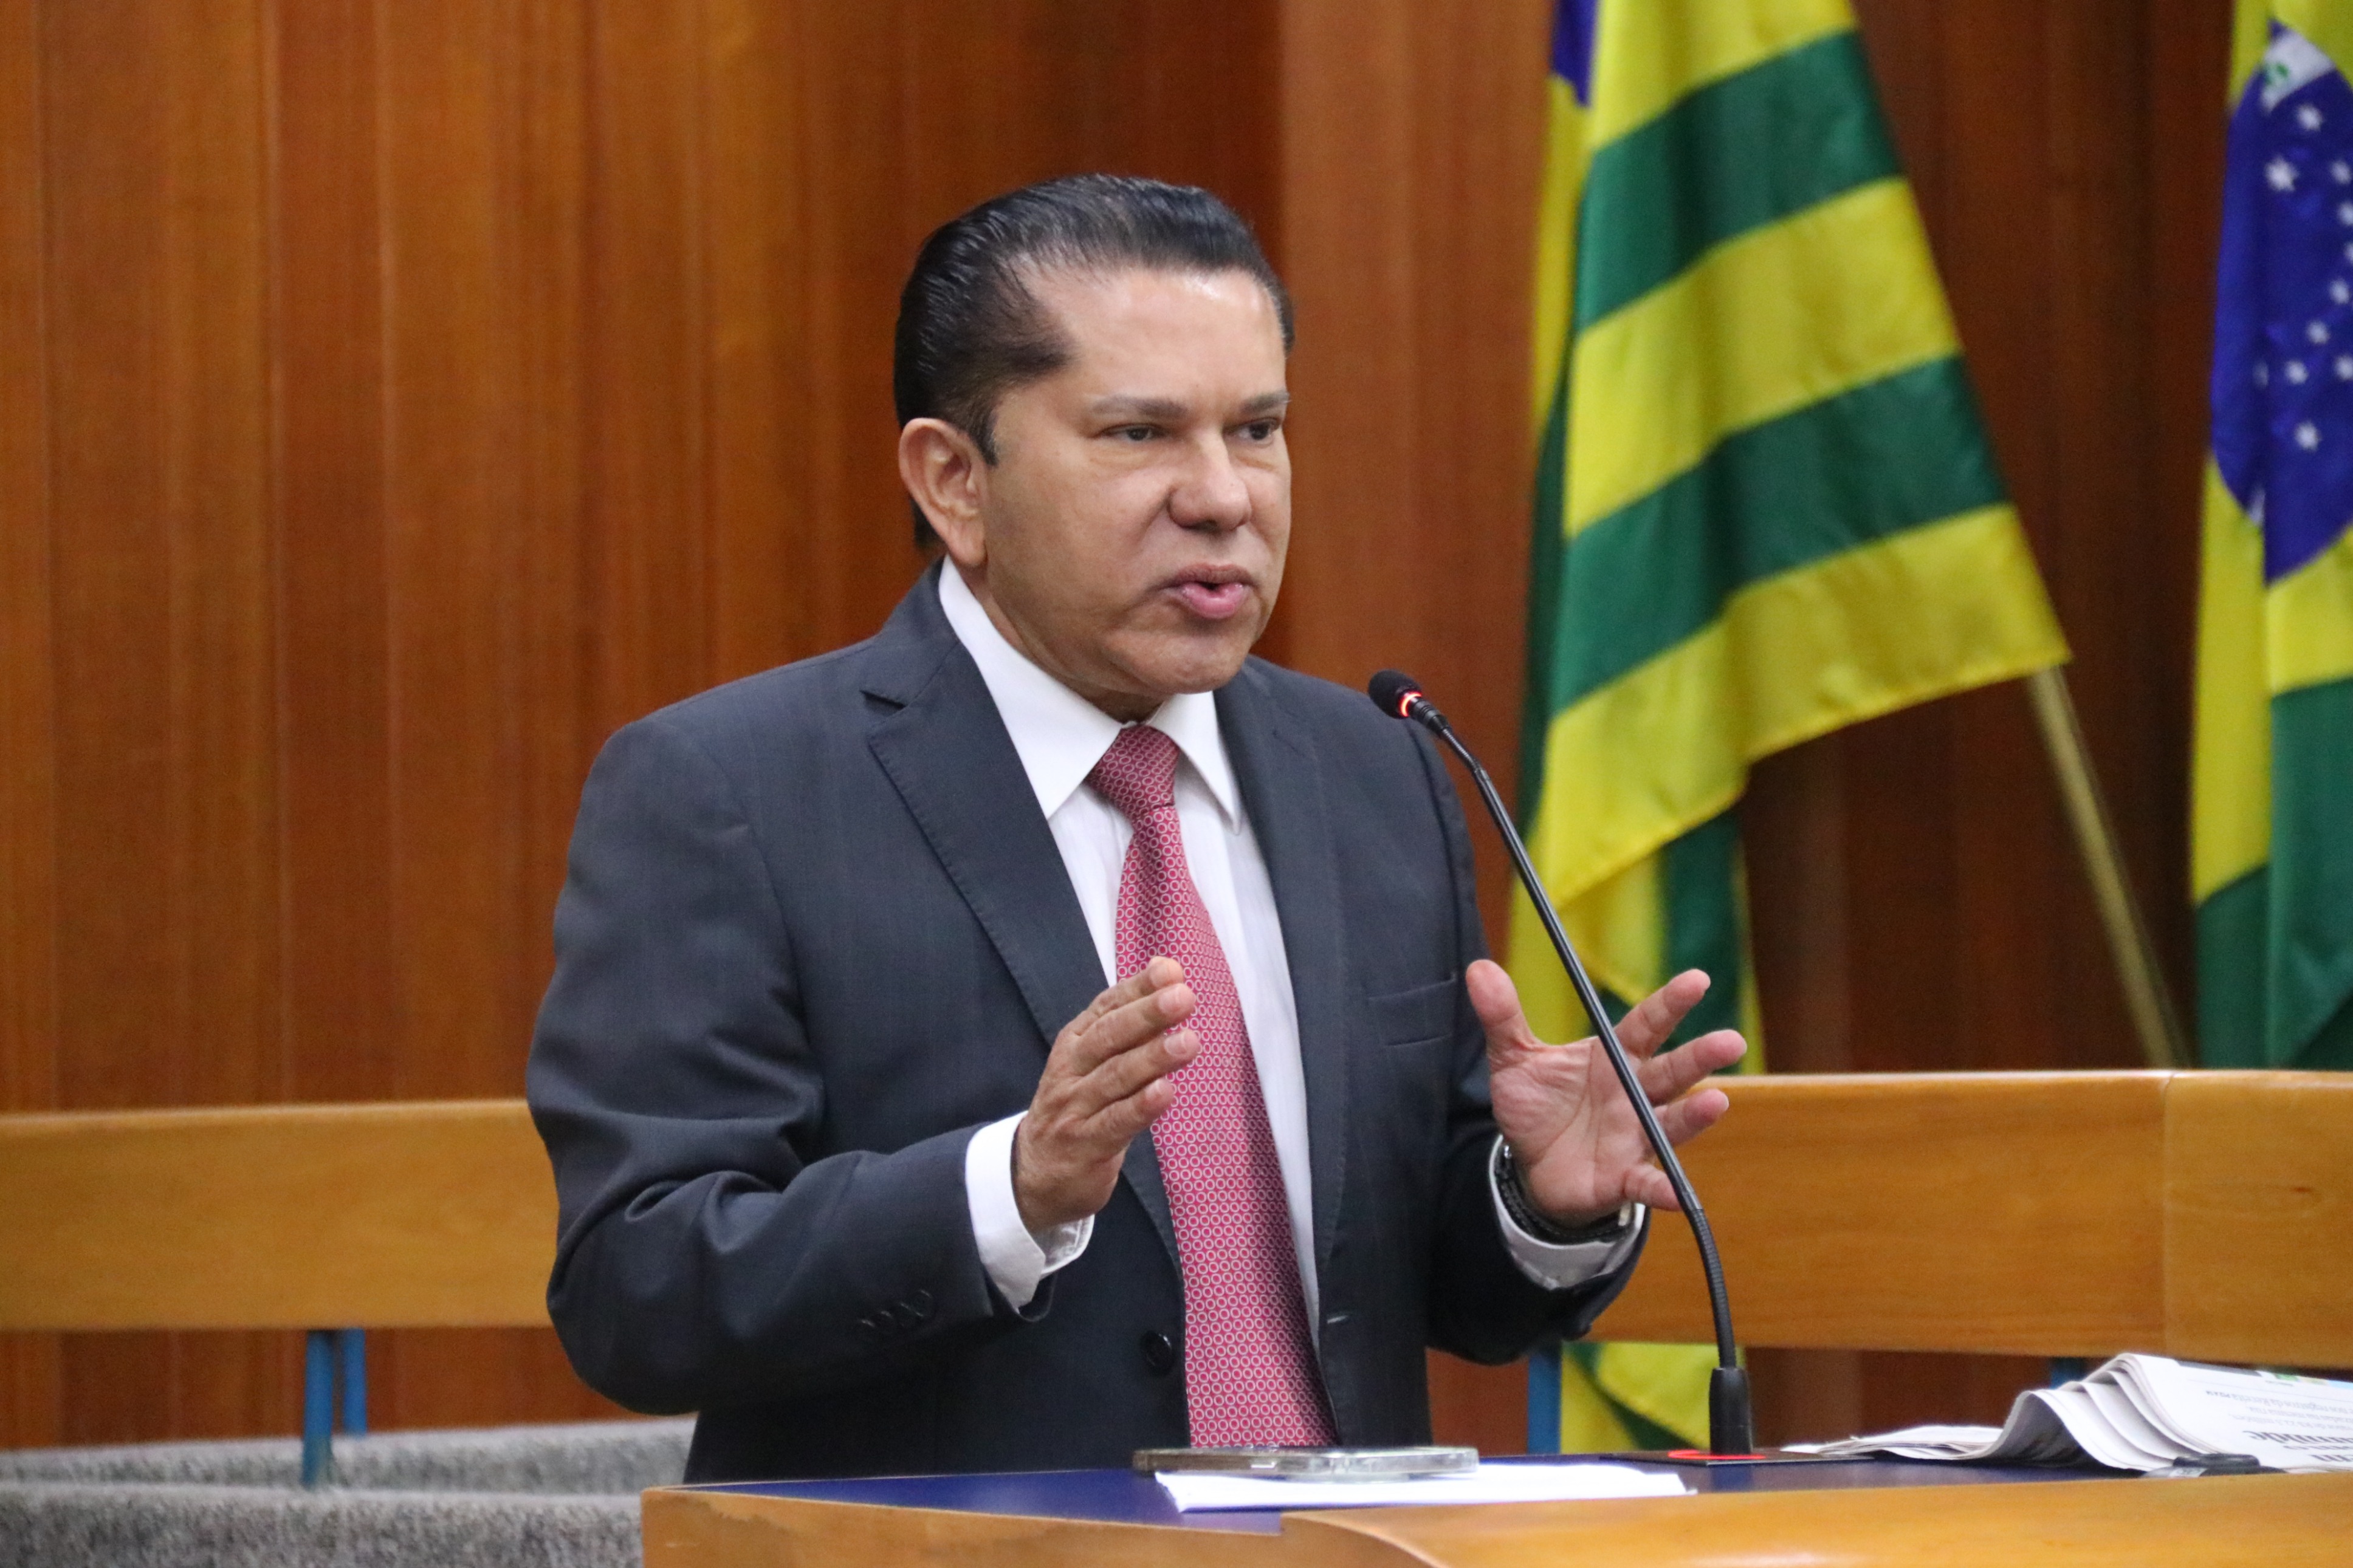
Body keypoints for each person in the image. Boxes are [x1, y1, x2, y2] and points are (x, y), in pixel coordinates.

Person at [526, 174, 1744, 1483]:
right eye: (1139, 434)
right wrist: (1009, 1190)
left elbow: (1423, 1287)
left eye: (1257, 428)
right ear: (954, 480)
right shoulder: (734, 791)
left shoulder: (1374, 767)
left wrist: (1530, 1198)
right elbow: (638, 1288)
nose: (1223, 497)